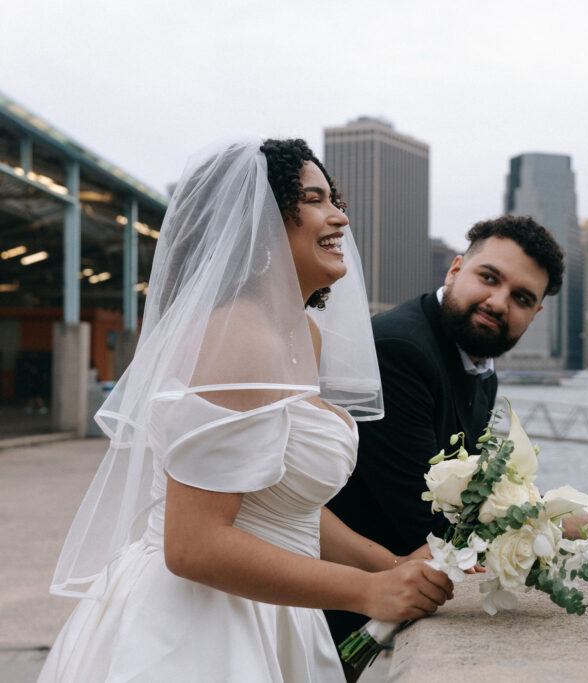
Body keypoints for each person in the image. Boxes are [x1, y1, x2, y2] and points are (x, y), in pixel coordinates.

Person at [38, 139, 452, 682]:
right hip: (200, 627)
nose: (339, 219)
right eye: (314, 199)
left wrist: (391, 564)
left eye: (337, 201)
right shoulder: (238, 335)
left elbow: (279, 503)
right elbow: (193, 546)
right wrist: (369, 591)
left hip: (270, 609)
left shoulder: (299, 332)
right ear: (260, 223)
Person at [325, 215, 588, 645]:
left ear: (536, 313)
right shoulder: (398, 352)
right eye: (489, 277)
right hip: (335, 613)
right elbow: (434, 523)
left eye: (520, 297)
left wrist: (572, 507)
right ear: (455, 269)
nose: (498, 302)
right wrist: (579, 524)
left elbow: (477, 495)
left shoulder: (479, 366)